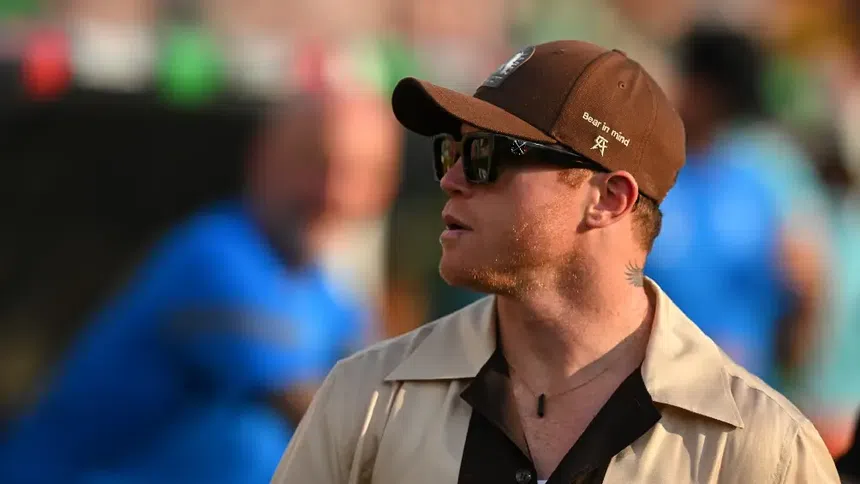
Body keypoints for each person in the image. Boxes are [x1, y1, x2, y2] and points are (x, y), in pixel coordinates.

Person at [271, 40, 839, 483]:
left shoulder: (764, 451)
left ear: (608, 198)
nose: (451, 178)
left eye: (485, 154)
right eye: (450, 150)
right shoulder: (366, 401)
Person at [0, 87, 400, 484]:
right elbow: (322, 417)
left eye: (358, 172)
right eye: (313, 162)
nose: (332, 191)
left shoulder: (334, 300)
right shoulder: (214, 258)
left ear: (384, 190)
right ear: (261, 158)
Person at [645, 24, 829, 390]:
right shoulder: (644, 175)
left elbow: (803, 289)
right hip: (652, 388)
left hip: (743, 393)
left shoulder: (762, 177)